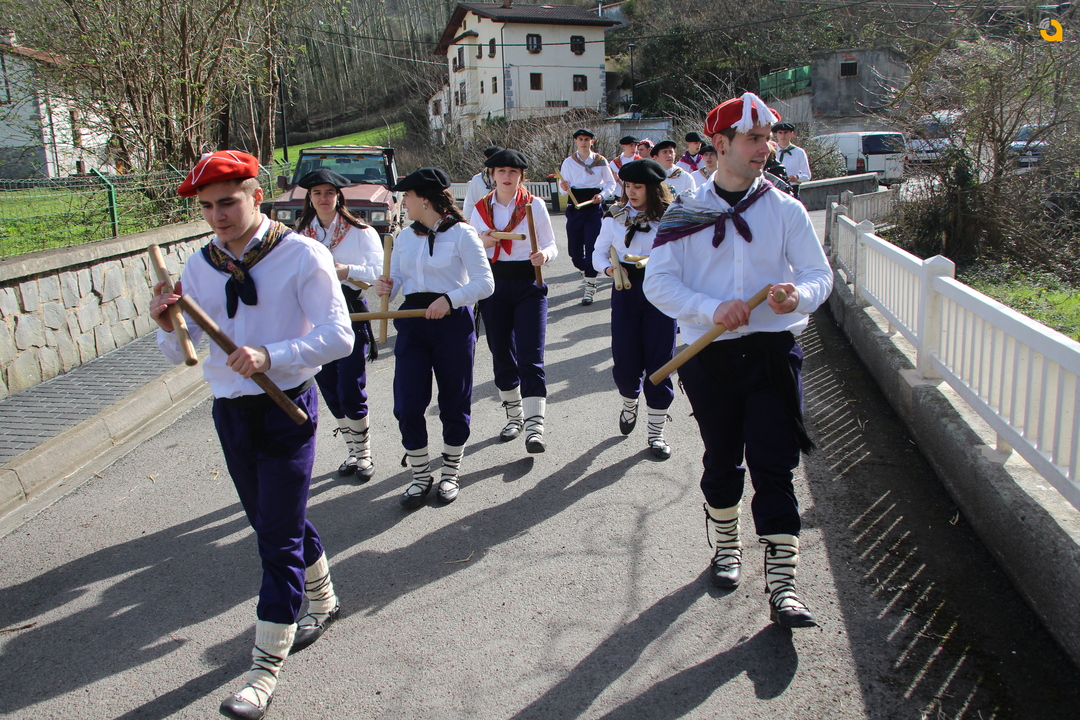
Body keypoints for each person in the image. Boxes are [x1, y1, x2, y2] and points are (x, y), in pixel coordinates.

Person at [152, 151, 354, 719]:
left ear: (256, 196)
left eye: (228, 202)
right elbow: (182, 351)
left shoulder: (302, 254)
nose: (217, 216)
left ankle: (263, 672)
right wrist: (167, 326)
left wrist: (272, 353)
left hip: (287, 409)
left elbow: (340, 337)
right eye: (207, 207)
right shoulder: (200, 264)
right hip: (231, 413)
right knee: (272, 522)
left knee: (276, 539)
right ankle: (325, 599)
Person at [643, 93, 833, 629]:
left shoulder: (786, 209)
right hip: (708, 356)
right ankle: (727, 548)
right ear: (720, 144)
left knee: (775, 461)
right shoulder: (685, 211)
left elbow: (819, 275)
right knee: (723, 459)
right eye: (754, 138)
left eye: (767, 138)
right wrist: (711, 309)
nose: (765, 148)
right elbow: (658, 282)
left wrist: (798, 296)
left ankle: (784, 585)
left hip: (773, 353)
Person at [374, 168, 494, 508]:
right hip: (412, 322)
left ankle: (450, 472)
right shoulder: (404, 237)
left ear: (424, 199)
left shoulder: (463, 234)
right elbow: (398, 281)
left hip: (452, 323)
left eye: (407, 197)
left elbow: (486, 283)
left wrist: (450, 300)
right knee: (407, 404)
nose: (403, 203)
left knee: (454, 400)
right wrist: (386, 287)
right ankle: (420, 475)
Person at [294, 168, 384, 481]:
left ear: (338, 196)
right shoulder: (299, 235)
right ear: (309, 197)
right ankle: (352, 451)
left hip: (349, 311)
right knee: (329, 388)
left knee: (349, 386)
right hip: (313, 315)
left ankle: (365, 454)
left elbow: (378, 272)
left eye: (329, 192)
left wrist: (346, 271)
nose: (323, 198)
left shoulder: (360, 231)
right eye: (317, 193)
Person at [468, 149, 557, 453]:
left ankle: (535, 427)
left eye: (513, 172)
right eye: (501, 171)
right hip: (493, 285)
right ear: (492, 175)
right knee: (501, 353)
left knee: (531, 355)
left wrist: (544, 255)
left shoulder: (534, 205)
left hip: (529, 284)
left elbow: (551, 244)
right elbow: (469, 248)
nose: (507, 177)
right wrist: (483, 240)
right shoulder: (480, 208)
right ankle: (514, 416)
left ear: (521, 176)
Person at [591, 158, 676, 459]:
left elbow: (684, 255)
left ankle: (656, 432)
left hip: (661, 292)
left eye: (638, 187)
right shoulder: (614, 216)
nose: (631, 192)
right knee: (626, 362)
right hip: (625, 290)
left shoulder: (670, 218)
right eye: (628, 186)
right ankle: (629, 401)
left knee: (660, 363)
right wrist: (608, 269)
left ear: (653, 188)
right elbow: (598, 253)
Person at [558, 128, 617, 306]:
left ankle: (590, 285)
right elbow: (562, 190)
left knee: (592, 246)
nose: (583, 142)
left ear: (592, 141)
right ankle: (588, 270)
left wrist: (602, 195)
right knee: (575, 252)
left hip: (593, 208)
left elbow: (611, 184)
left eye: (587, 139)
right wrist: (564, 187)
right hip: (575, 207)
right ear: (576, 141)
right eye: (580, 139)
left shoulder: (600, 161)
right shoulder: (569, 162)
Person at [772, 121, 811, 199]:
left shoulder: (799, 152)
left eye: (786, 132)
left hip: (792, 190)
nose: (783, 136)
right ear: (776, 135)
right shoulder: (771, 151)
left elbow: (807, 175)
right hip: (774, 190)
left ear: (791, 134)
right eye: (780, 133)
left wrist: (797, 177)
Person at [463, 146, 504, 213]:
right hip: (481, 217)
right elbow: (469, 205)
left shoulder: (507, 179)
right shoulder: (477, 180)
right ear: (487, 159)